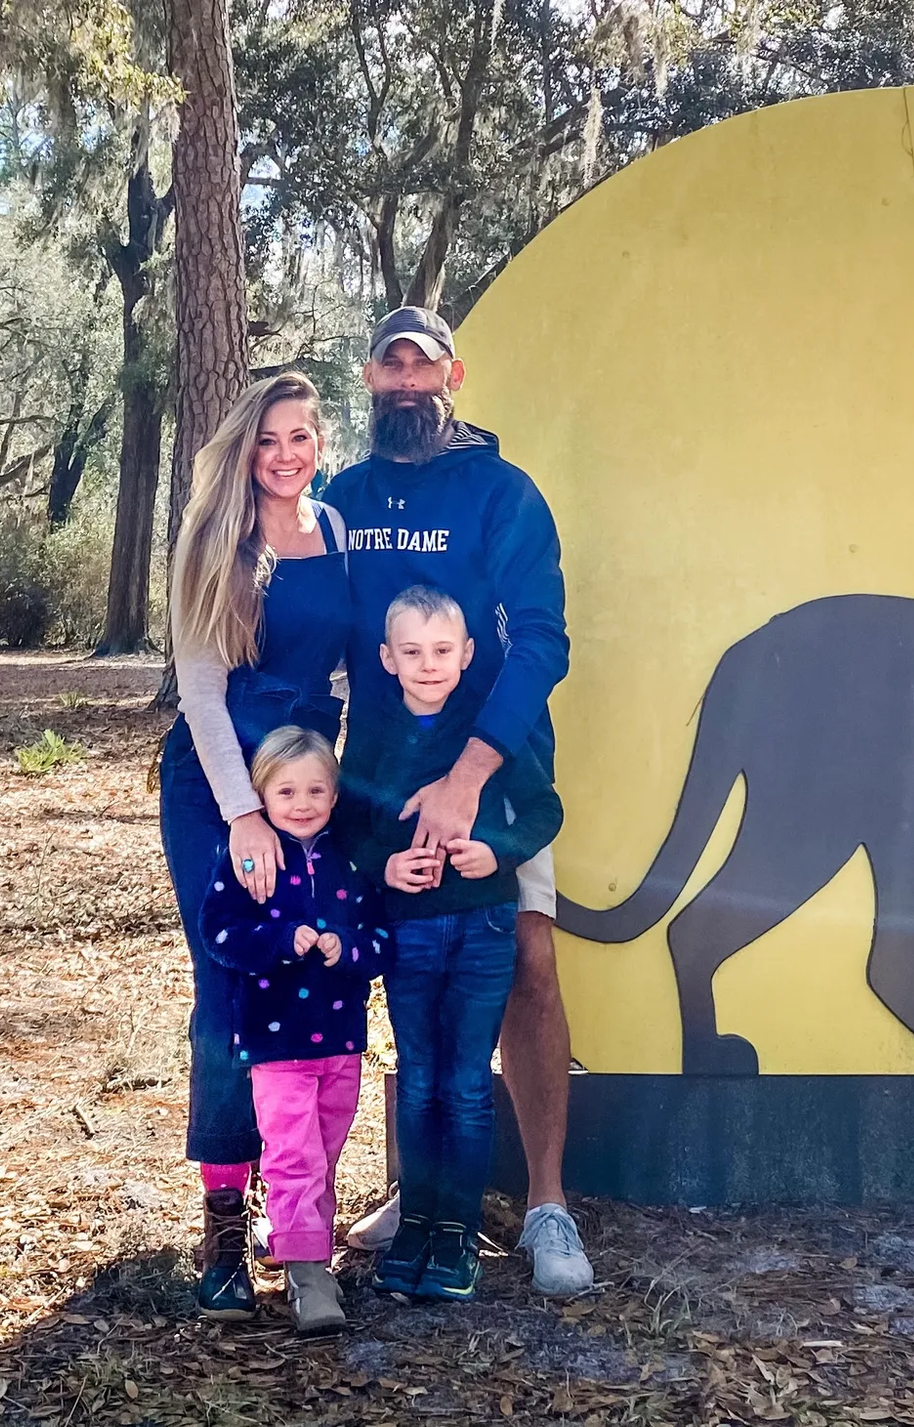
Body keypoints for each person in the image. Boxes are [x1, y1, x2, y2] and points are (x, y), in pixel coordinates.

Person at [325, 306, 595, 1295]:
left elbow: (541, 641)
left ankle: (546, 1202)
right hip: (385, 786)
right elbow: (323, 638)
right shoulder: (342, 498)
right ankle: (427, 1191)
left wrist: (469, 776)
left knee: (525, 956)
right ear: (369, 378)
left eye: (422, 366)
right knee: (414, 968)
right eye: (390, 365)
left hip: (499, 776)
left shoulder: (502, 493)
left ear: (454, 376)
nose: (406, 381)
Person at [160, 372, 351, 1319]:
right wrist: (243, 812)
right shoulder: (212, 542)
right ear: (243, 449)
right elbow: (199, 689)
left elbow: (355, 667)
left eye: (301, 436)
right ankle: (225, 1228)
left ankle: (300, 1210)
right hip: (220, 788)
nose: (285, 454)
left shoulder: (337, 530)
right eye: (269, 439)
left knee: (314, 987)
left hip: (311, 789)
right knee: (232, 989)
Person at [339, 587, 562, 1300]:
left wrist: (496, 852)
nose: (428, 665)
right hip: (408, 931)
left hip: (483, 927)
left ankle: (459, 1234)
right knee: (420, 1074)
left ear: (468, 655)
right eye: (412, 652)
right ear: (386, 658)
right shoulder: (374, 732)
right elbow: (349, 825)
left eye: (442, 651)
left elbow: (543, 808)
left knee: (467, 1082)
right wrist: (384, 866)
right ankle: (417, 1224)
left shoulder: (488, 736)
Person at [197, 726, 389, 1334]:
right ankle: (309, 1274)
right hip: (275, 1044)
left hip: (341, 1041)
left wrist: (348, 949)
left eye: (315, 790)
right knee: (292, 1155)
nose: (301, 803)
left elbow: (383, 939)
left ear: (334, 795)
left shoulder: (350, 862)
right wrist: (280, 941)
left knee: (324, 1152)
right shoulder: (251, 859)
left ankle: (294, 1236)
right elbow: (219, 932)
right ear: (261, 795)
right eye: (286, 791)